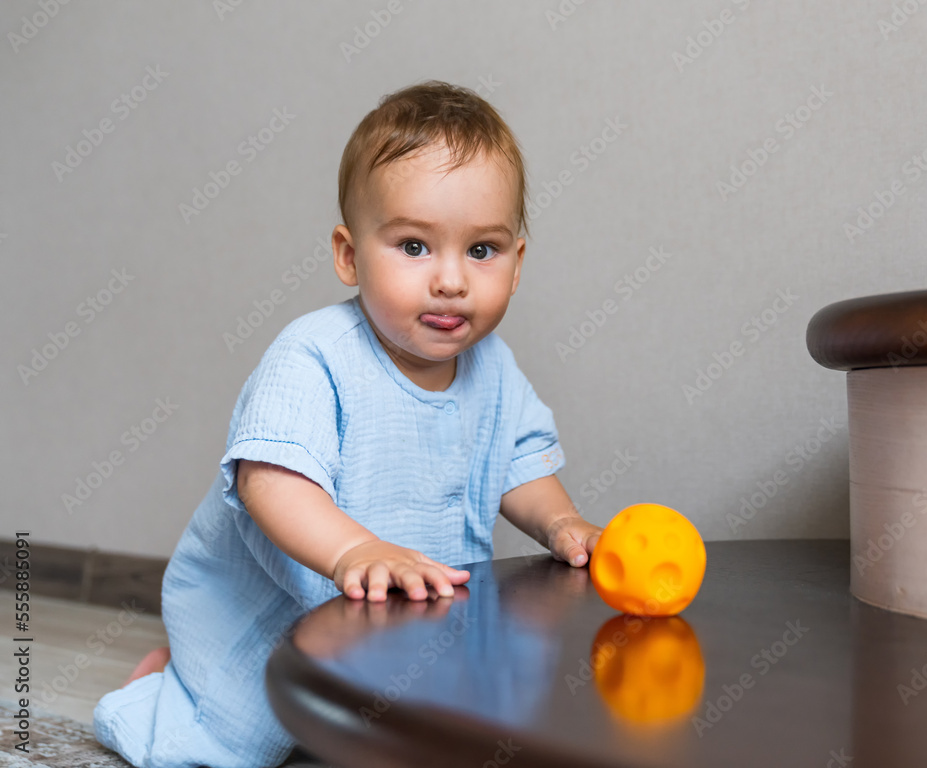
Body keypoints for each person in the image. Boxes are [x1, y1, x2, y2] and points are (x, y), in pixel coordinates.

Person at [92, 80, 602, 767]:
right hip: (272, 617)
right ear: (348, 254)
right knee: (235, 743)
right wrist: (352, 553)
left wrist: (561, 523)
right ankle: (155, 694)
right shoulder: (316, 356)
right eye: (415, 246)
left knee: (420, 734)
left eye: (481, 250)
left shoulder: (495, 368)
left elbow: (521, 465)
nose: (451, 279)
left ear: (516, 261)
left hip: (403, 619)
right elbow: (269, 480)